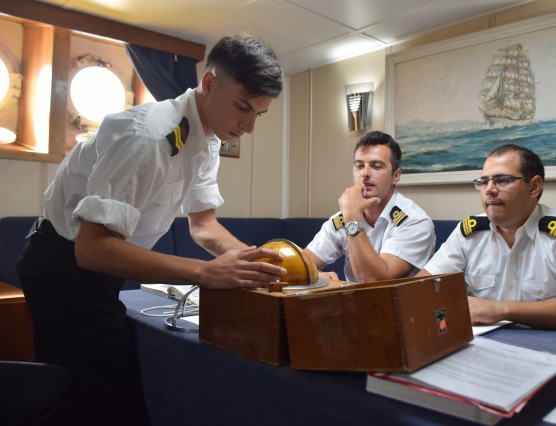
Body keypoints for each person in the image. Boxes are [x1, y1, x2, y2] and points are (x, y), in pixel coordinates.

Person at [17, 34, 287, 425]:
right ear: (209, 83)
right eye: (242, 107)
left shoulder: (207, 138)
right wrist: (206, 272)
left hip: (100, 265)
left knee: (116, 391)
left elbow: (203, 225)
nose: (247, 126)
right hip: (62, 263)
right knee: (97, 403)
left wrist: (250, 261)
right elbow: (91, 249)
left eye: (258, 114)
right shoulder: (147, 136)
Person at [418, 144, 556, 330]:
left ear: (534, 187)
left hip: (547, 345)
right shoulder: (468, 233)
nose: (489, 189)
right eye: (484, 181)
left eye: (502, 180)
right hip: (481, 344)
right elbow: (418, 289)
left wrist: (500, 310)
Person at [304, 131, 435, 283]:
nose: (365, 173)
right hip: (352, 298)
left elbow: (374, 281)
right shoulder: (344, 215)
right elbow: (300, 264)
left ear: (396, 176)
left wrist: (352, 217)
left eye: (376, 166)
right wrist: (315, 275)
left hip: (395, 299)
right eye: (359, 166)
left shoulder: (415, 222)